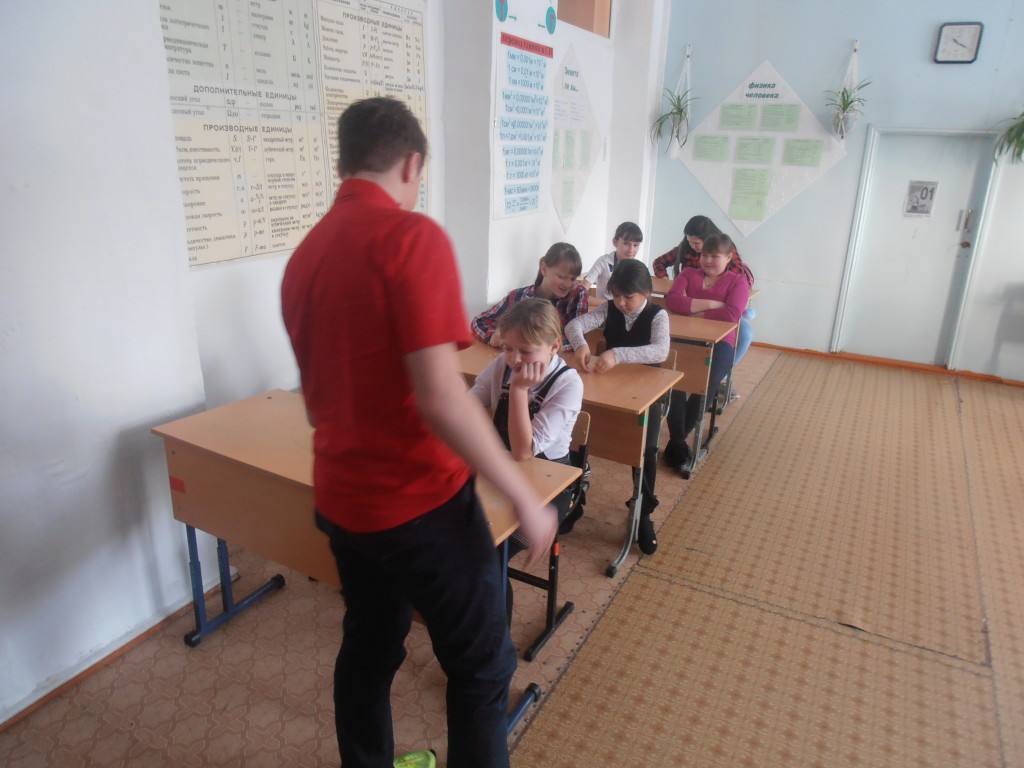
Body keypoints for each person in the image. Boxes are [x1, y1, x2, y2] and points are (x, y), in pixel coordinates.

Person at [280, 97, 556, 768]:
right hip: (421, 503)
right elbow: (440, 397)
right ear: (412, 163)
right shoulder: (411, 237)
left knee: (370, 647)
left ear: (344, 162)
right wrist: (521, 493)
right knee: (484, 667)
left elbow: (317, 406)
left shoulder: (304, 259)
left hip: (343, 501)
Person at [470, 298, 583, 623]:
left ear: (554, 346)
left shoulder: (568, 383)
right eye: (508, 348)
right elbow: (469, 405)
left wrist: (519, 391)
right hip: (500, 474)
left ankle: (497, 641)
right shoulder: (501, 365)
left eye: (526, 351)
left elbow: (524, 451)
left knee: (488, 556)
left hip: (550, 491)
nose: (515, 359)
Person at [564, 259, 669, 555]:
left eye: (628, 296)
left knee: (645, 450)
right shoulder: (609, 309)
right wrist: (581, 344)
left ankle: (643, 512)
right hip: (608, 391)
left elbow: (661, 350)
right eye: (616, 295)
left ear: (646, 292)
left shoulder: (657, 315)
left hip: (646, 394)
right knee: (579, 434)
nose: (621, 303)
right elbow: (574, 325)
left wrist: (617, 354)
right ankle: (574, 499)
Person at [662, 233, 751, 474]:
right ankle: (678, 442)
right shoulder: (688, 273)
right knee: (674, 381)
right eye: (705, 255)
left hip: (721, 342)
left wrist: (693, 309)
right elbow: (673, 302)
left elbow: (732, 314)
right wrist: (712, 305)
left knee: (705, 383)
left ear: (728, 257)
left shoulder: (738, 281)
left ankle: (676, 441)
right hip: (684, 337)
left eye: (715, 256)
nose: (708, 261)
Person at [652, 215, 756, 368]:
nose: (693, 246)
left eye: (696, 243)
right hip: (691, 309)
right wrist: (670, 281)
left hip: (714, 315)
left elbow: (735, 288)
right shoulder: (686, 253)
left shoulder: (725, 250)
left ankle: (725, 371)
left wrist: (698, 308)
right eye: (689, 241)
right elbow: (661, 267)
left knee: (745, 334)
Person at [471, 242, 588, 349]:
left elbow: (577, 339)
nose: (567, 284)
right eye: (561, 277)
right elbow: (479, 322)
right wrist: (492, 337)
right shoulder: (518, 297)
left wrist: (534, 346)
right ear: (544, 269)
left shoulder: (577, 295)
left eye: (573, 278)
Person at [581, 221, 643, 300]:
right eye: (626, 243)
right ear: (615, 242)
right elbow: (581, 293)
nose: (631, 250)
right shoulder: (603, 262)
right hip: (604, 306)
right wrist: (609, 304)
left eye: (635, 245)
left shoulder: (638, 268)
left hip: (626, 307)